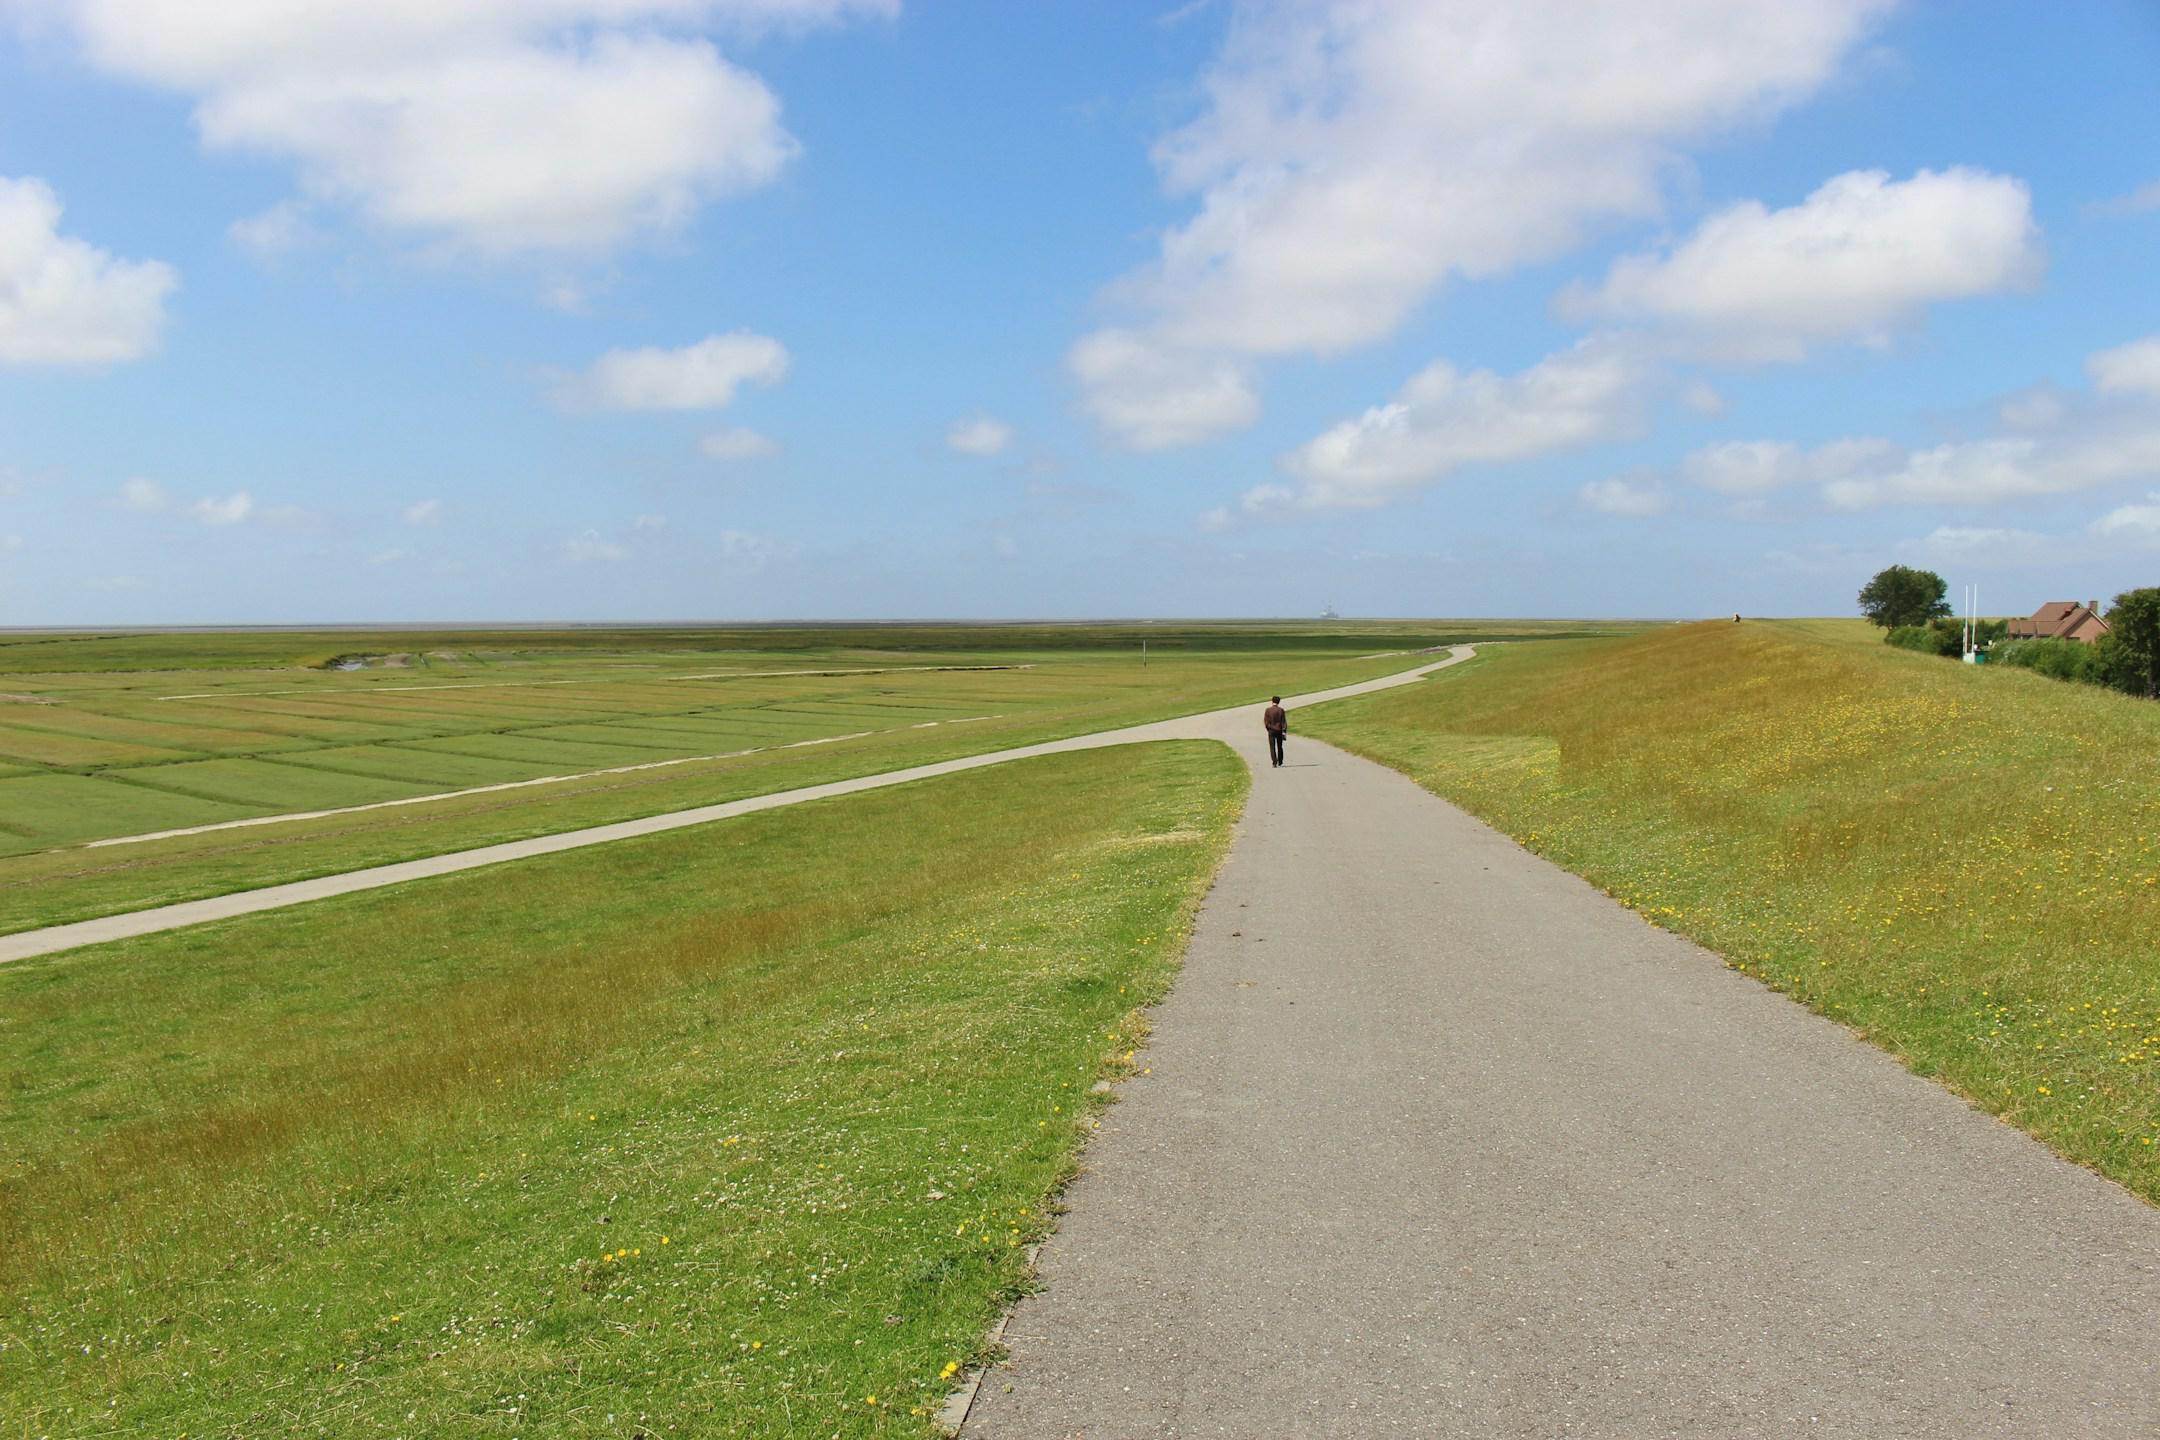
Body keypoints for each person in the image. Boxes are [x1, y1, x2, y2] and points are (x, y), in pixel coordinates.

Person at [1263, 695, 1288, 768]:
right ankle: (1280, 761)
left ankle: (1274, 762)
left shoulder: (1268, 710)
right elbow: (1284, 722)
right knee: (1280, 746)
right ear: (1279, 702)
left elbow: (1266, 722)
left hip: (1271, 730)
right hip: (1279, 730)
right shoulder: (1281, 710)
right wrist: (1284, 731)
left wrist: (1268, 729)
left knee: (1272, 747)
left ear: (1272, 701)